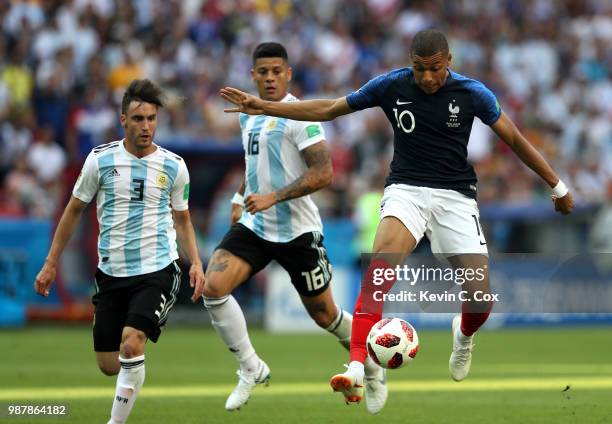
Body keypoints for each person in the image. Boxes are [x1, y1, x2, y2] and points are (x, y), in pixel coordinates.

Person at [220, 29, 574, 408]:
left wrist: (556, 185)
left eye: (435, 69)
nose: (426, 78)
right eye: (419, 69)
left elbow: (515, 139)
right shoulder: (391, 85)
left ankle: (465, 334)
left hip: (455, 198)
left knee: (480, 299)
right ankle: (356, 365)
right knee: (378, 276)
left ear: (449, 61)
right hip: (405, 191)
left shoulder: (473, 93)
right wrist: (266, 106)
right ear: (411, 63)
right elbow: (329, 109)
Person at [191, 42, 387, 414]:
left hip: (298, 231)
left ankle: (372, 369)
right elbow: (256, 165)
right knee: (213, 287)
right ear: (253, 75)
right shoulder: (247, 114)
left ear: (288, 74)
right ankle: (250, 367)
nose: (269, 78)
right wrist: (239, 198)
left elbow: (324, 173)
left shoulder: (301, 115)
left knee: (325, 315)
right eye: (262, 72)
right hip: (257, 226)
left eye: (276, 72)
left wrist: (273, 197)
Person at [34, 79, 205, 424]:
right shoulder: (100, 160)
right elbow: (73, 210)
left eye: (152, 119)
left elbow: (183, 220)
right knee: (109, 364)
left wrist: (196, 263)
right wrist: (51, 262)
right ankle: (133, 368)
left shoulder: (174, 166)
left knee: (131, 344)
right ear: (123, 120)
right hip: (111, 273)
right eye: (138, 119)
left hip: (158, 268)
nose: (146, 126)